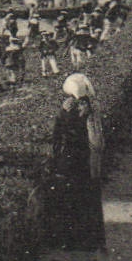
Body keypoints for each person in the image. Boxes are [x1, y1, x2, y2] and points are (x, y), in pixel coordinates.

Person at [39, 74, 106, 251]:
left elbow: (62, 136)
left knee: (70, 199)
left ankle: (70, 240)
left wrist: (63, 115)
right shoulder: (91, 110)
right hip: (86, 161)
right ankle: (89, 240)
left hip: (72, 161)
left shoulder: (71, 111)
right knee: (86, 198)